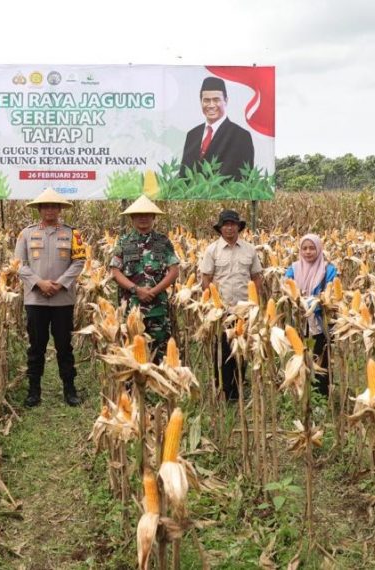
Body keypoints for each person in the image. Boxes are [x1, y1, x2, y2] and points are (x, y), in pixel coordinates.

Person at [13, 188, 87, 407]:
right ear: (39, 209)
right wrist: (39, 283)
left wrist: (61, 283)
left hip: (62, 299)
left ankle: (70, 389)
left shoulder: (72, 234)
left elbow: (79, 262)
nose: (50, 210)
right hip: (35, 299)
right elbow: (19, 264)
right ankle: (33, 390)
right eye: (45, 206)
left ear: (60, 209)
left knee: (64, 345)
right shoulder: (26, 234)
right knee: (36, 346)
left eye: (54, 206)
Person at [198, 210, 262, 401]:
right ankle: (224, 390)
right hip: (222, 311)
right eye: (225, 224)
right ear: (220, 228)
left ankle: (239, 385)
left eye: (233, 224)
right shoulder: (212, 250)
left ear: (238, 227)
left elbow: (257, 277)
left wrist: (254, 302)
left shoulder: (250, 250)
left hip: (244, 309)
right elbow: (206, 279)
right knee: (223, 350)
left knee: (242, 350)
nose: (229, 228)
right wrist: (211, 304)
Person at [110, 195, 181, 357]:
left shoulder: (163, 242)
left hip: (157, 310)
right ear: (132, 218)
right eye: (138, 214)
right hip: (131, 309)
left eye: (147, 214)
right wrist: (136, 290)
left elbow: (174, 270)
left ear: (154, 217)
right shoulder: (123, 242)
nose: (143, 218)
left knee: (159, 356)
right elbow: (115, 271)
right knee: (132, 355)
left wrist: (154, 291)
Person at [285, 234, 339, 398]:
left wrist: (308, 303)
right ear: (300, 250)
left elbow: (329, 295)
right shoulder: (293, 268)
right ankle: (302, 394)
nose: (308, 252)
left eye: (312, 248)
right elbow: (286, 288)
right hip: (299, 322)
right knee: (300, 358)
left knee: (321, 359)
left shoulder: (329, 270)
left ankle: (321, 396)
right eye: (304, 248)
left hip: (321, 322)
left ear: (319, 249)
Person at [180, 76, 255, 182]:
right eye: (206, 100)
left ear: (226, 101)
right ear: (200, 101)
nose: (211, 105)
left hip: (225, 197)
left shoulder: (241, 136)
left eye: (216, 100)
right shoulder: (192, 135)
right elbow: (183, 175)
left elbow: (245, 178)